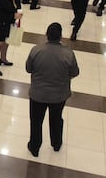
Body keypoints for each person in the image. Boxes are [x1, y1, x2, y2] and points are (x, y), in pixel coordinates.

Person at [25, 22, 79, 156]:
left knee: (36, 121)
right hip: (59, 96)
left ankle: (35, 146)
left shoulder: (36, 50)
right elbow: (74, 72)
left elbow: (28, 69)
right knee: (56, 119)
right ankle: (56, 143)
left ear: (46, 35)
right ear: (61, 36)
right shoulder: (68, 53)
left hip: (38, 94)